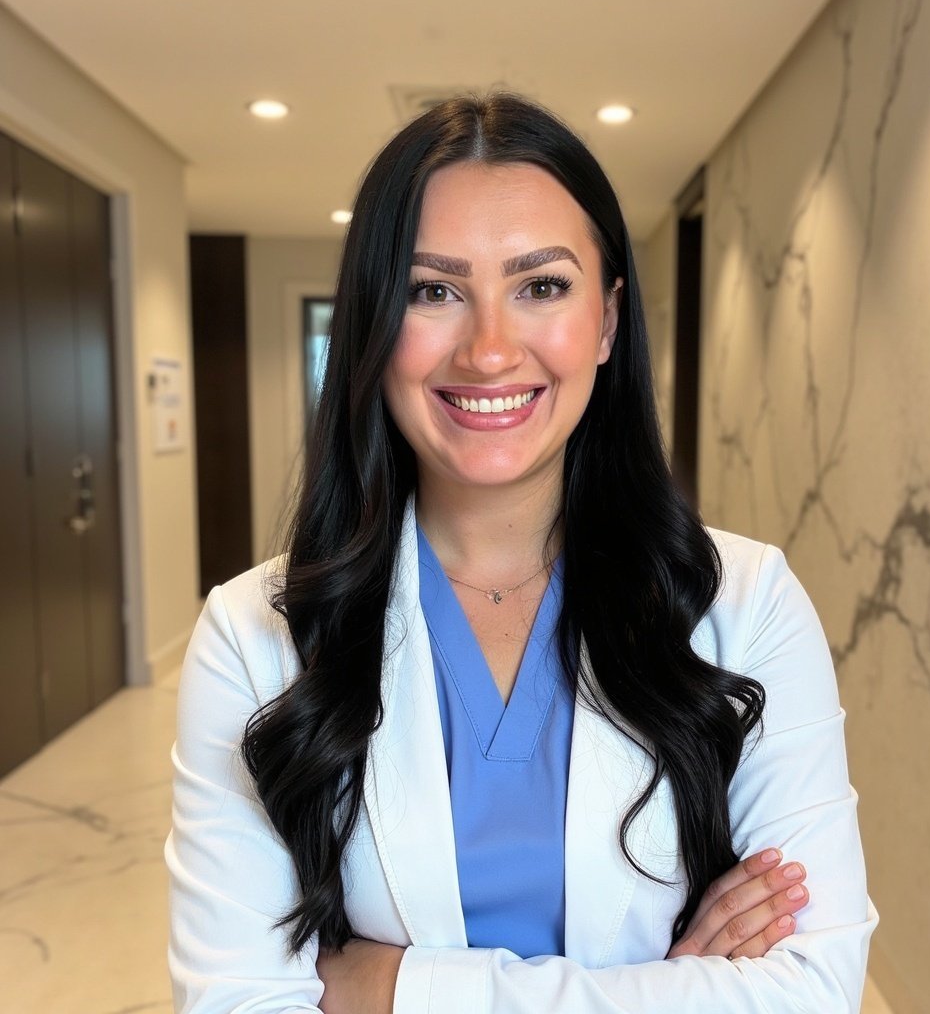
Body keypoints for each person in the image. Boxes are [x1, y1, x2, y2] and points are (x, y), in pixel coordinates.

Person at [166, 93, 876, 1014]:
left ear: (609, 322)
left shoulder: (746, 605)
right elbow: (234, 1005)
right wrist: (665, 988)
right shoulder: (253, 636)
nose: (491, 350)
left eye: (541, 286)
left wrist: (394, 989)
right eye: (434, 290)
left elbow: (814, 993)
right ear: (375, 329)